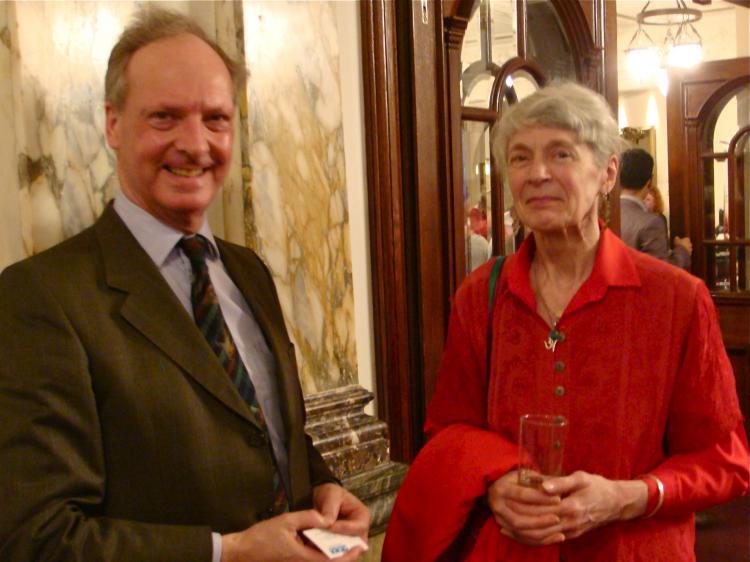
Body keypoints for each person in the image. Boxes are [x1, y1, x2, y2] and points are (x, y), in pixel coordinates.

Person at [0, 8, 369, 562]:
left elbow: (263, 432)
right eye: (165, 117)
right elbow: (38, 537)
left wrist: (322, 487)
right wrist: (227, 552)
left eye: (215, 119)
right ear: (113, 124)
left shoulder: (248, 271)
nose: (196, 145)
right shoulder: (43, 298)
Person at [382, 82, 748, 561]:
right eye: (520, 158)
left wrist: (625, 497)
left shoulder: (676, 298)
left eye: (560, 154)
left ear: (607, 173)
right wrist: (494, 484)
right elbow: (450, 430)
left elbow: (725, 462)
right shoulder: (480, 295)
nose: (537, 174)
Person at [619, 148, 692, 270]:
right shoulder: (651, 223)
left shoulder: (605, 215)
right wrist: (682, 250)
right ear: (650, 181)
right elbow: (661, 272)